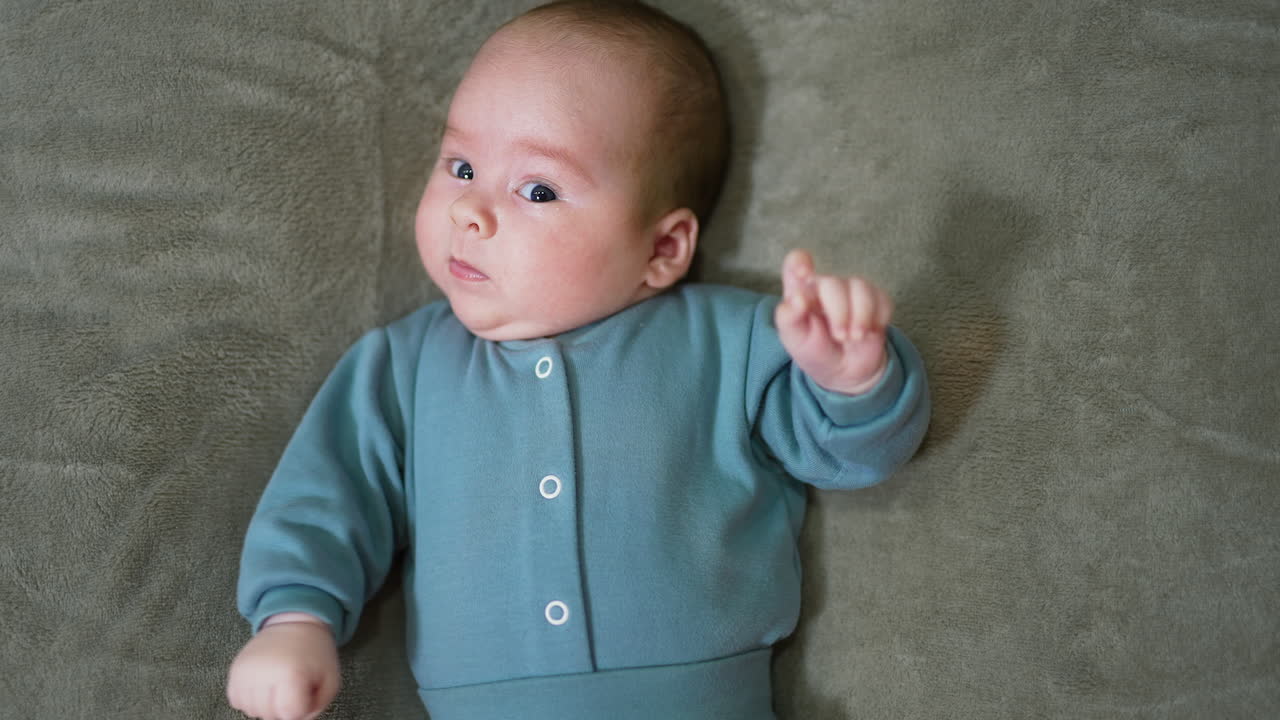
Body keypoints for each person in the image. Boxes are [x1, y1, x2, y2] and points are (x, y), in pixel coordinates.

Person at [226, 2, 930, 719]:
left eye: (537, 189)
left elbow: (855, 454)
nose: (470, 210)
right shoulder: (402, 370)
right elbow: (327, 493)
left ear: (662, 249)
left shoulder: (734, 341)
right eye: (461, 165)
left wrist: (850, 377)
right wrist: (294, 621)